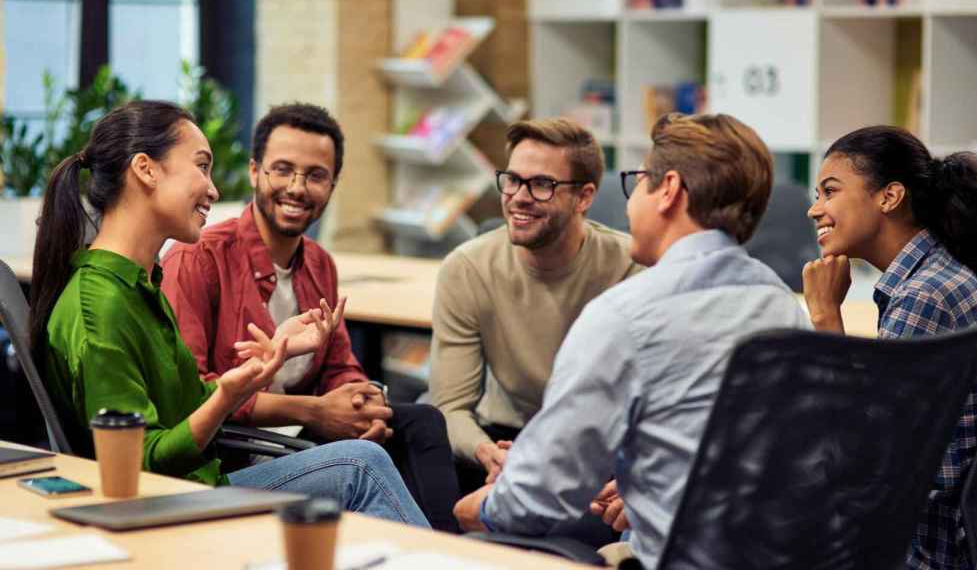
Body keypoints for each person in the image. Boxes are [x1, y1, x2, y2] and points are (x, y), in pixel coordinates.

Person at [30, 100, 428, 527]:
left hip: (203, 482)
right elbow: (142, 464)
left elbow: (185, 405)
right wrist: (228, 395)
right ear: (146, 169)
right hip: (172, 502)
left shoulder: (139, 284)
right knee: (362, 464)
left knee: (399, 435)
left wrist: (263, 364)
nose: (214, 190)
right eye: (202, 167)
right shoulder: (101, 305)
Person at [452, 113, 810, 568]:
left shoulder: (626, 316)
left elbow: (541, 494)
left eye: (638, 182)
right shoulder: (783, 308)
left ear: (669, 190)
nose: (626, 204)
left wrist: (479, 508)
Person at [160, 103, 460, 532]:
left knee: (422, 420)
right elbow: (195, 394)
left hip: (296, 438)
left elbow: (340, 367)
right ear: (254, 173)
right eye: (282, 169)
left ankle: (455, 549)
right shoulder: (198, 258)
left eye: (316, 175)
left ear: (332, 185)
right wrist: (318, 411)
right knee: (369, 460)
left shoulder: (319, 264)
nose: (297, 188)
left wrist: (361, 407)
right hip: (229, 454)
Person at [801, 125, 977, 570]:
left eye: (830, 191)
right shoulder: (941, 275)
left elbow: (861, 463)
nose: (814, 209)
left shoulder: (924, 296)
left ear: (889, 197)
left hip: (919, 552)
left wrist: (826, 316)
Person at [429, 117, 641, 493]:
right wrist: (485, 452)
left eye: (542, 184)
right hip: (505, 439)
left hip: (599, 450)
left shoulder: (631, 266)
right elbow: (451, 408)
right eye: (512, 180)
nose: (519, 197)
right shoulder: (467, 269)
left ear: (585, 197)